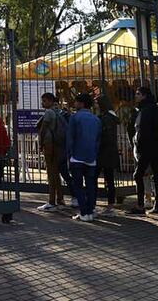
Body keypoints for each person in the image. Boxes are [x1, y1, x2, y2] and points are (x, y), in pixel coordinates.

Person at [128, 86, 158, 215]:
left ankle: (141, 204)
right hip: (156, 147)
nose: (136, 96)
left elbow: (143, 131)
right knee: (156, 174)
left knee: (138, 175)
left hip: (146, 148)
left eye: (138, 94)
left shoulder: (144, 111)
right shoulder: (156, 109)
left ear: (144, 96)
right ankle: (157, 204)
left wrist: (138, 146)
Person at [66, 93, 102, 222]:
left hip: (77, 156)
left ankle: (84, 212)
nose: (74, 104)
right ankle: (91, 210)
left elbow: (70, 138)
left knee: (78, 185)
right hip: (91, 156)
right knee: (91, 185)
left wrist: (69, 154)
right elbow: (98, 140)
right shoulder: (96, 119)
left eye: (76, 102)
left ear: (81, 103)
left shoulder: (75, 117)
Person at [36, 92, 67, 211]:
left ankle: (51, 201)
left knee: (51, 173)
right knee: (56, 173)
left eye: (44, 101)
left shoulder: (49, 112)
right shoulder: (58, 112)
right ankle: (60, 199)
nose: (42, 103)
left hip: (49, 145)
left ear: (49, 101)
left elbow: (43, 130)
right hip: (57, 145)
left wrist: (40, 143)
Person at [96, 95, 119, 212]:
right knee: (109, 179)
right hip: (111, 151)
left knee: (95, 177)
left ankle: (105, 204)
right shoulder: (111, 116)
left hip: (103, 152)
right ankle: (110, 204)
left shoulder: (105, 118)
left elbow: (105, 135)